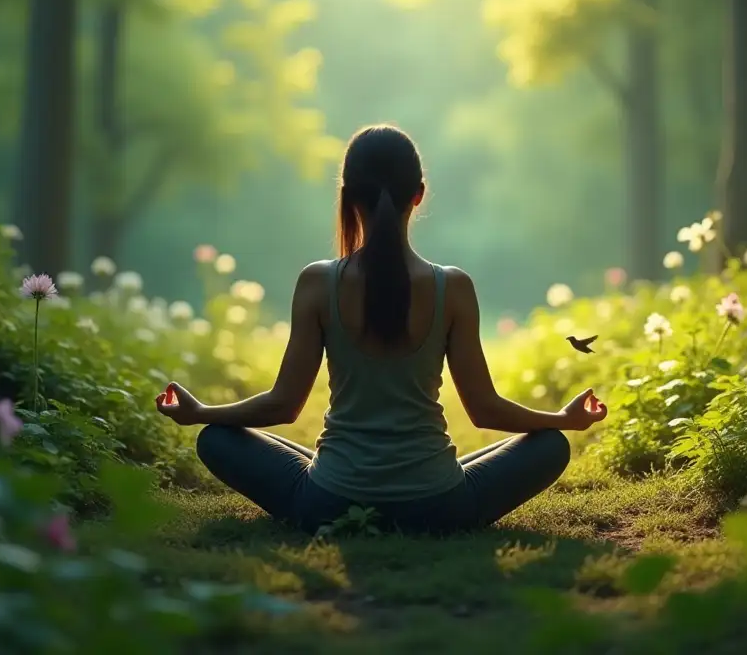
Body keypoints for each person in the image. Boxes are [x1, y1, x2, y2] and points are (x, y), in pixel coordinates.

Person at [155, 124, 608, 535]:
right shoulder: (453, 287)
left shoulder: (318, 282)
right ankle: (402, 485)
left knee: (216, 437)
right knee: (550, 446)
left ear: (350, 196)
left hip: (327, 503)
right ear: (419, 194)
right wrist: (563, 421)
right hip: (440, 505)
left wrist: (201, 413)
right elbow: (486, 411)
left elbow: (284, 405)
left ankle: (342, 475)